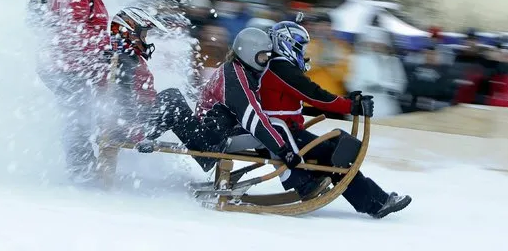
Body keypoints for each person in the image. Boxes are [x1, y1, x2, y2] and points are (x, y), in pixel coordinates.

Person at [259, 21, 412, 218]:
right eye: (301, 46)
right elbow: (314, 95)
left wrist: (348, 101)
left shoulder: (280, 67)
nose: (304, 51)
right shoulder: (281, 68)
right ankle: (376, 202)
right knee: (334, 154)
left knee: (337, 145)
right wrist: (350, 105)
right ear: (288, 44)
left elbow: (311, 94)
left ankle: (363, 196)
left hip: (288, 131)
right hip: (281, 134)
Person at [174, 27, 331, 200]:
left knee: (273, 128)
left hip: (219, 131)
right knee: (276, 127)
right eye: (263, 56)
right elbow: (254, 119)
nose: (266, 61)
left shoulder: (237, 70)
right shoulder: (234, 78)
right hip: (215, 140)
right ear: (250, 53)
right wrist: (285, 152)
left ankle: (304, 174)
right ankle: (302, 184)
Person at [29, 0, 120, 183]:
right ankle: (83, 175)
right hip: (66, 69)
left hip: (73, 67)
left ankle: (88, 170)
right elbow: (72, 34)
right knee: (77, 121)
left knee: (83, 118)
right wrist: (108, 45)